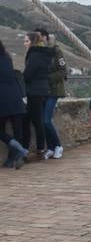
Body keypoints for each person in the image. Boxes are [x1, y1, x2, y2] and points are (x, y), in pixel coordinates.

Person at [34, 27, 67, 159]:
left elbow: (63, 71)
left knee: (47, 120)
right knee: (42, 121)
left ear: (45, 37)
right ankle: (51, 148)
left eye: (39, 36)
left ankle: (58, 146)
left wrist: (47, 78)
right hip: (42, 91)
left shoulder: (56, 51)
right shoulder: (38, 52)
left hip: (54, 90)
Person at [22, 31, 52, 159]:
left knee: (28, 121)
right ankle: (40, 149)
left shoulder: (34, 55)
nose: (25, 44)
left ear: (32, 42)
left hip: (33, 91)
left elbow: (28, 74)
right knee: (37, 120)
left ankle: (26, 150)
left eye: (27, 41)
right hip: (42, 90)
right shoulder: (43, 54)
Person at [0, 40, 28, 169]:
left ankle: (18, 150)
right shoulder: (7, 58)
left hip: (3, 100)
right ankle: (13, 159)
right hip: (16, 98)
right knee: (18, 132)